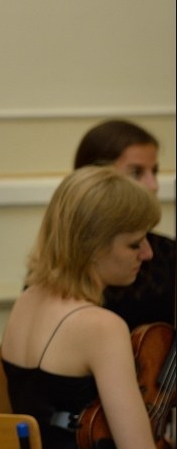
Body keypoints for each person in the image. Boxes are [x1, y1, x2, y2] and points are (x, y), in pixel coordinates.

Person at [1, 166, 161, 449]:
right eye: (134, 244)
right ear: (93, 247)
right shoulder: (102, 327)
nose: (147, 253)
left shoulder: (27, 300)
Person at [73, 119, 175, 330]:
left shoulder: (168, 253)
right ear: (94, 178)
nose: (153, 185)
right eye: (136, 172)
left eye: (154, 172)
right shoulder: (59, 259)